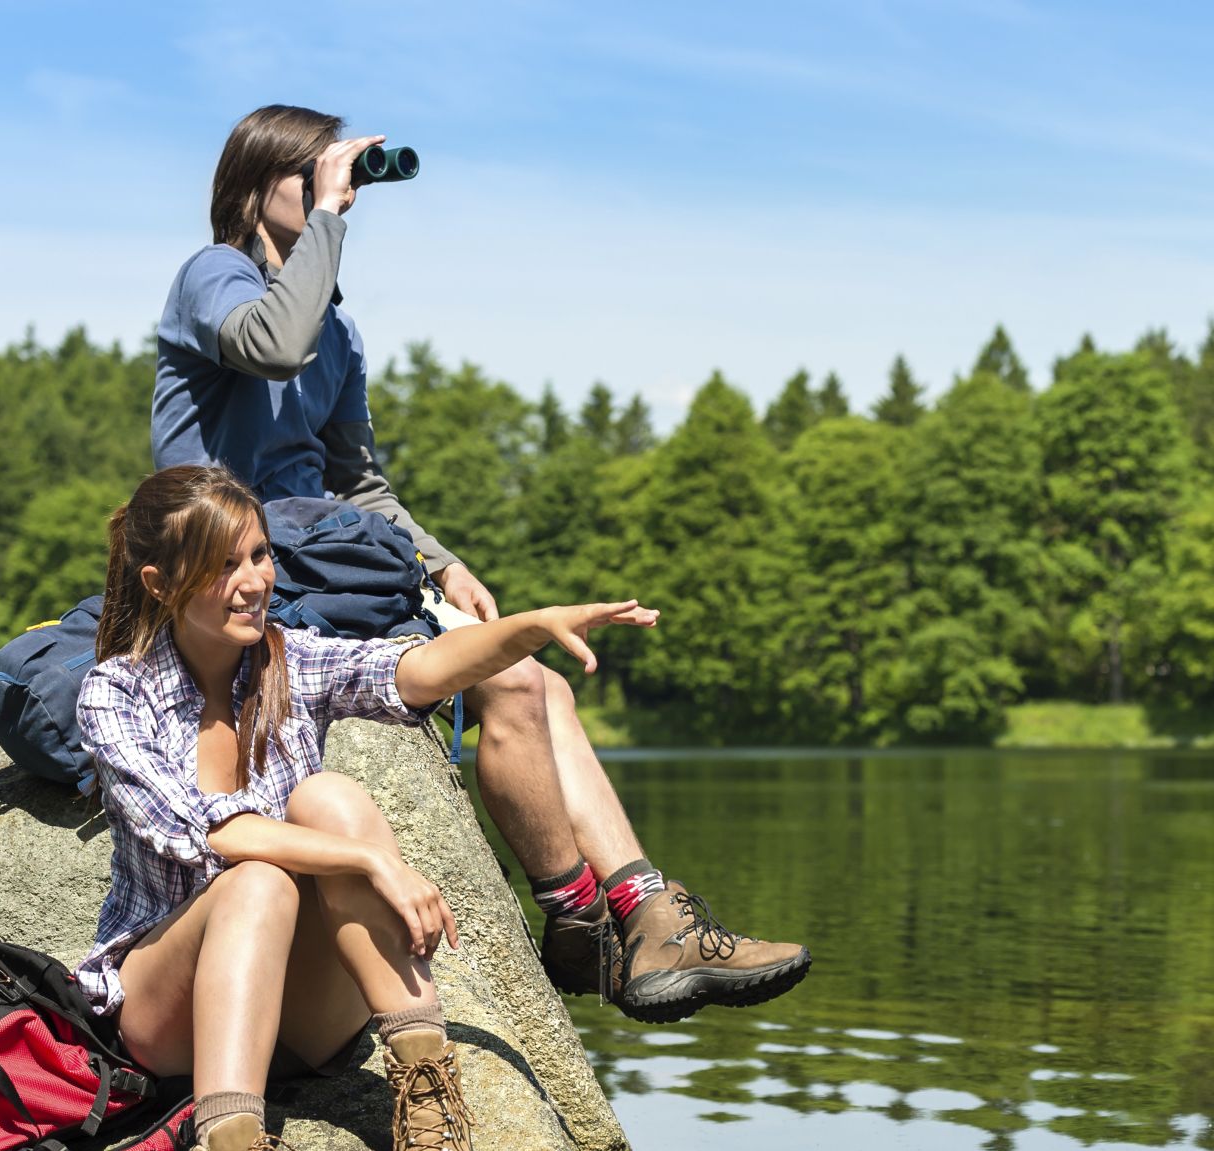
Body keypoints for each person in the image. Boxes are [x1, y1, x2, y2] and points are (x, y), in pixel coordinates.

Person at [151, 103, 810, 1021]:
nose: (336, 194)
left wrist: (441, 565)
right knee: (508, 684)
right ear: (257, 185)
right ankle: (579, 918)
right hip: (236, 573)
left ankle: (646, 912)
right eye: (316, 177)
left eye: (338, 182)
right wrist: (332, 222)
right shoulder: (212, 277)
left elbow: (359, 481)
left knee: (539, 681)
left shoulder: (336, 333)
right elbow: (273, 345)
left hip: (328, 565)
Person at [76, 464, 658, 1151]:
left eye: (261, 556)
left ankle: (426, 1086)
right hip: (175, 1019)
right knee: (260, 877)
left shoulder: (286, 659)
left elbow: (416, 671)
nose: (254, 582)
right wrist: (373, 865)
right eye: (221, 563)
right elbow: (212, 834)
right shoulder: (114, 694)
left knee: (330, 798)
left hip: (302, 1022)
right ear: (159, 582)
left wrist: (528, 628)